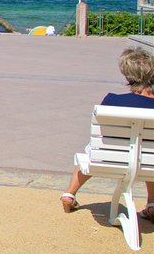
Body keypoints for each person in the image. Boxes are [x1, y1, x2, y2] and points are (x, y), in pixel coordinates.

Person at [61, 47, 154, 218]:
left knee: (91, 150)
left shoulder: (112, 100)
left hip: (110, 158)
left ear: (127, 76)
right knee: (148, 150)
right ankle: (152, 204)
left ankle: (70, 194)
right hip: (148, 162)